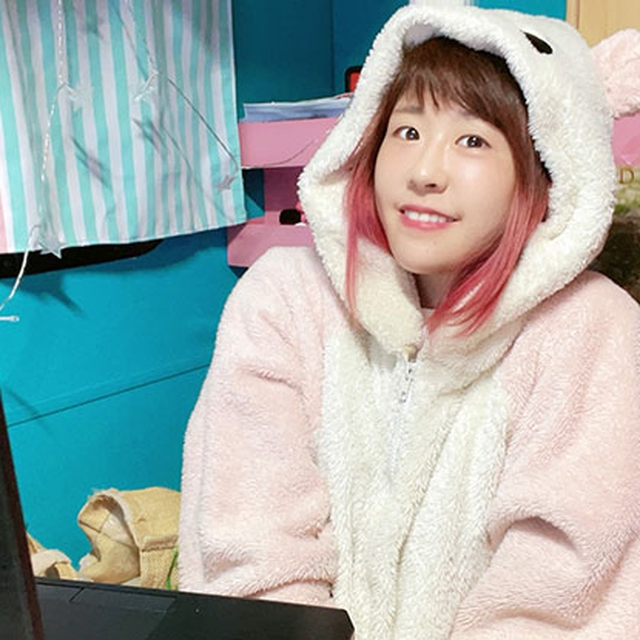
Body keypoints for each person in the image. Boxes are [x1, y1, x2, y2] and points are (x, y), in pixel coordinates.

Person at [179, 2, 640, 638]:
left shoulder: (593, 330)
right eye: (407, 131)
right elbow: (250, 554)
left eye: (473, 140)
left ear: (545, 169)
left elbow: (559, 597)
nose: (424, 172)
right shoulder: (284, 298)